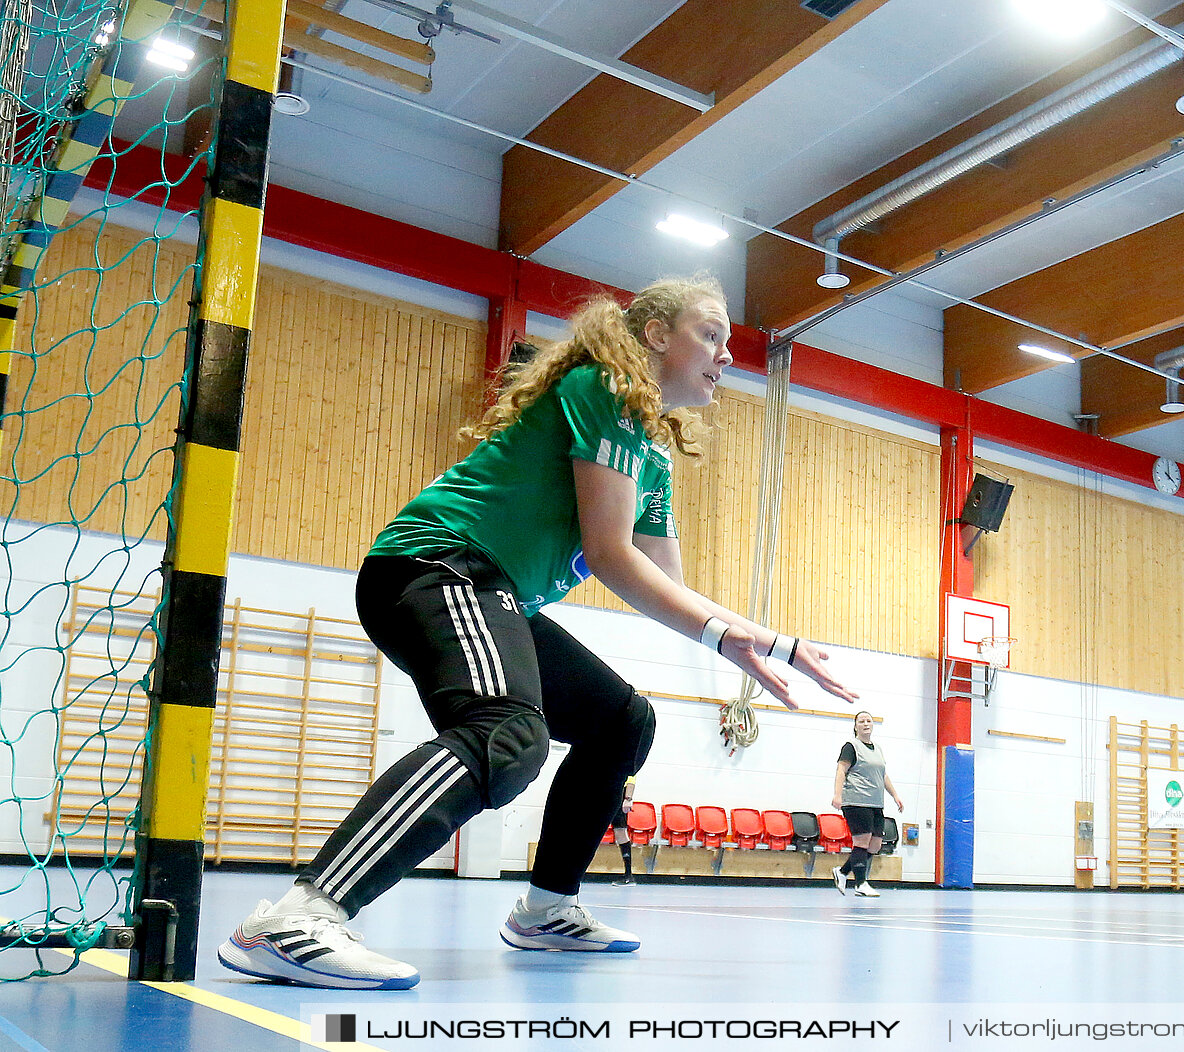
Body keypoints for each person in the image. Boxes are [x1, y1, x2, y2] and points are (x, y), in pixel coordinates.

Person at [218, 275, 856, 990]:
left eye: (728, 342)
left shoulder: (650, 452)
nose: (726, 354)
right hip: (434, 566)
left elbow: (667, 587)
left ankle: (546, 909)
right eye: (710, 334)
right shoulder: (603, 389)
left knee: (621, 719)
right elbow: (612, 558)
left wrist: (771, 643)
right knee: (506, 734)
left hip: (494, 592)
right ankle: (300, 916)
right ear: (654, 336)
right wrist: (745, 640)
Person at [830, 711, 902, 897]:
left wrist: (895, 795)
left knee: (875, 845)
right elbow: (841, 769)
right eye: (861, 721)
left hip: (875, 802)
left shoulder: (877, 749)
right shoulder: (851, 746)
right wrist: (837, 795)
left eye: (869, 721)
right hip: (856, 800)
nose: (866, 724)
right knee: (861, 842)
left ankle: (843, 872)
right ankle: (860, 884)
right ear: (855, 726)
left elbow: (883, 775)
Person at [612, 776, 638, 885]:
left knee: (620, 832)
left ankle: (628, 875)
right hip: (608, 789)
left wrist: (628, 798)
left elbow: (631, 778)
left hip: (619, 793)